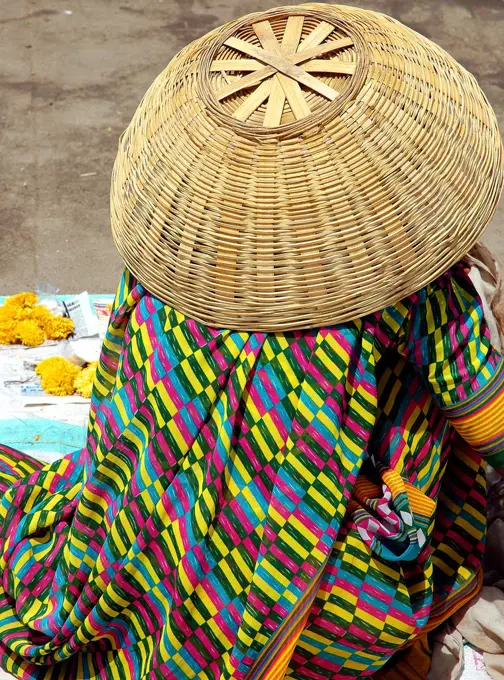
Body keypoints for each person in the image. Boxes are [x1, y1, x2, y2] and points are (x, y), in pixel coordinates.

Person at [1, 4, 503, 679]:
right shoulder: (417, 285)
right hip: (312, 599)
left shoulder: (171, 245)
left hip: (137, 532)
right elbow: (488, 422)